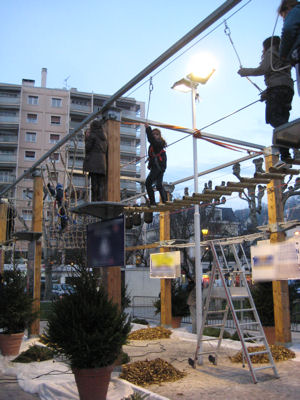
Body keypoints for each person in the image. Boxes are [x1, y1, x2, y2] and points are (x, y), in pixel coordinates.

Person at [238, 36, 294, 162]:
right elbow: (278, 74)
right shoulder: (284, 54)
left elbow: (263, 69)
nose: (262, 52)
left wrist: (244, 72)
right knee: (282, 120)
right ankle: (286, 155)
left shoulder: (271, 52)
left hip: (277, 89)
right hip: (287, 88)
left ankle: (293, 142)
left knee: (274, 119)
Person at [83, 120, 107, 202]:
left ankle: (94, 199)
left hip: (93, 162)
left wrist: (86, 138)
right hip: (102, 163)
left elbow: (88, 148)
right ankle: (100, 199)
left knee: (94, 183)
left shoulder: (92, 136)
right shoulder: (104, 137)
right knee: (101, 183)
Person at [278, 0, 300, 93]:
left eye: (283, 16)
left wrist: (283, 54)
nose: (284, 20)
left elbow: (288, 29)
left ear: (286, 8)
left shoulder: (295, 11)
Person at [145, 123, 167, 206]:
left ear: (159, 136)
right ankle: (165, 200)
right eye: (153, 134)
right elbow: (154, 154)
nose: (154, 136)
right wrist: (149, 158)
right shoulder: (155, 145)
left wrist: (148, 128)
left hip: (158, 167)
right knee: (158, 185)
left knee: (148, 183)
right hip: (160, 167)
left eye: (156, 134)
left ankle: (152, 201)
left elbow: (151, 140)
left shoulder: (157, 143)